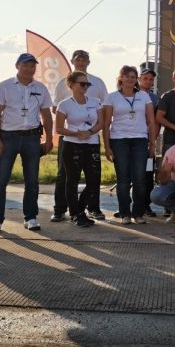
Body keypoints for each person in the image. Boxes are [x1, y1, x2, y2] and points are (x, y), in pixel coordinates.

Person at [0, 53, 54, 234]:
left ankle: (30, 217)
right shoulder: (4, 86)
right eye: (25, 65)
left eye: (32, 66)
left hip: (32, 138)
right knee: (1, 180)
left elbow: (46, 115)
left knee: (32, 180)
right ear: (17, 66)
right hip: (8, 137)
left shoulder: (41, 88)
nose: (29, 69)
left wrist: (49, 138)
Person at [51, 49, 108, 223]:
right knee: (66, 177)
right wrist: (76, 131)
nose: (85, 86)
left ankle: (89, 208)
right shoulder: (62, 86)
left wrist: (89, 132)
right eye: (78, 60)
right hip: (70, 142)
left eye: (84, 60)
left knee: (94, 180)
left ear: (88, 62)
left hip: (91, 141)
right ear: (73, 61)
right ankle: (64, 210)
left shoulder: (97, 83)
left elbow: (103, 115)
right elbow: (57, 114)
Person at [102, 65, 156, 225]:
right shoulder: (111, 97)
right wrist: (107, 147)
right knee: (123, 179)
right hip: (119, 140)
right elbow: (106, 124)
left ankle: (138, 213)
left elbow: (151, 121)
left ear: (136, 79)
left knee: (140, 179)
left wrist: (152, 143)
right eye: (127, 76)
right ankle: (125, 213)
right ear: (121, 78)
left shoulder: (144, 96)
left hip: (140, 140)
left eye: (133, 77)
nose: (130, 79)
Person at [137, 64, 160, 217]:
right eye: (145, 78)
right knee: (133, 175)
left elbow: (157, 122)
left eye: (151, 79)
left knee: (148, 174)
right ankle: (130, 206)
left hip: (148, 142)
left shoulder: (155, 98)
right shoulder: (132, 94)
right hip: (134, 140)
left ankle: (146, 206)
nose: (148, 81)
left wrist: (153, 140)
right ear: (139, 79)